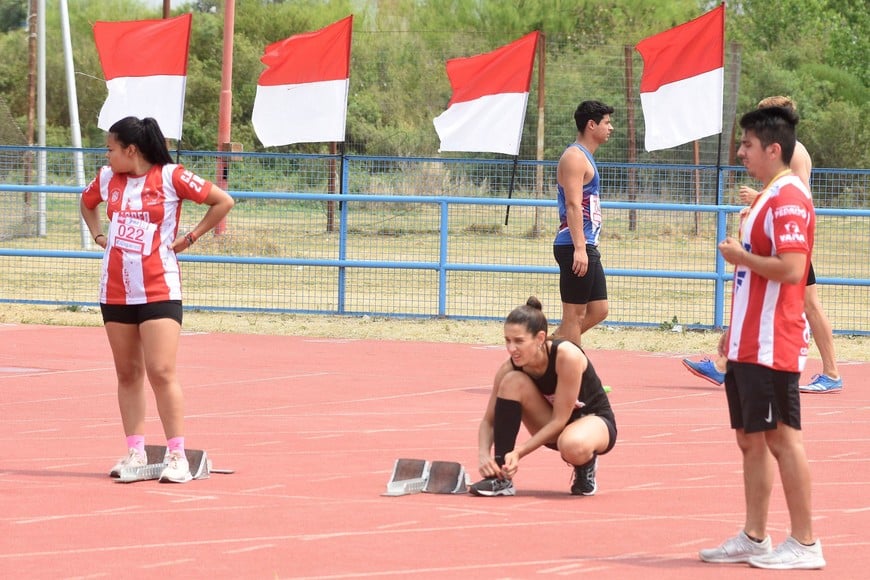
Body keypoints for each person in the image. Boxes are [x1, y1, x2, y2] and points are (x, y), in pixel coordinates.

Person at [698, 106, 825, 569]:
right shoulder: (769, 195)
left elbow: (793, 270)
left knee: (782, 438)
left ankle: (806, 543)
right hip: (749, 341)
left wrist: (739, 256)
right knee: (751, 439)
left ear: (773, 149)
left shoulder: (789, 196)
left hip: (774, 344)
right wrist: (735, 328)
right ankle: (754, 536)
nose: (740, 152)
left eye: (748, 144)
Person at [80, 116, 234, 483]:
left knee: (161, 371)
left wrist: (191, 237)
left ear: (131, 150)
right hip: (116, 289)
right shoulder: (107, 179)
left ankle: (177, 456)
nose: (107, 155)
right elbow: (86, 204)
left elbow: (222, 201)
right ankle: (135, 451)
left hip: (159, 287)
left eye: (111, 148)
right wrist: (99, 235)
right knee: (127, 372)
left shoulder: (171, 176)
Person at [683, 96, 843, 394]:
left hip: (791, 243)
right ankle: (724, 363)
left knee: (809, 305)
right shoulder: (780, 155)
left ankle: (831, 372)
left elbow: (799, 196)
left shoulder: (794, 154)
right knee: (770, 297)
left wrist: (758, 198)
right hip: (781, 240)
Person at [469, 297, 616, 497]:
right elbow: (488, 420)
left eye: (519, 341)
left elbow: (559, 420)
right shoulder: (509, 367)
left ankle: (586, 465)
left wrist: (519, 452)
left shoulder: (566, 356)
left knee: (572, 445)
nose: (511, 349)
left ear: (539, 338)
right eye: (507, 340)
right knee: (512, 381)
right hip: (554, 428)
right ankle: (501, 477)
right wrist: (484, 455)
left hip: (593, 423)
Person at [551, 100, 614, 347]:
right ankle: (576, 377)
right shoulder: (574, 157)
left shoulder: (585, 157)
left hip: (587, 244)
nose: (611, 128)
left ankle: (550, 347)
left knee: (598, 310)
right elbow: (573, 205)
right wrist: (579, 247)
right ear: (591, 125)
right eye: (607, 122)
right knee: (574, 317)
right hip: (574, 245)